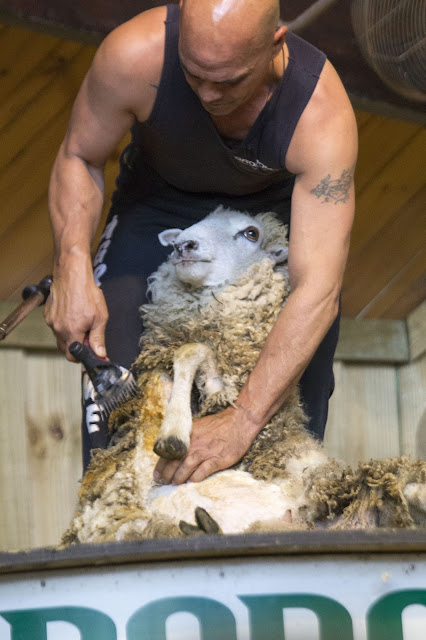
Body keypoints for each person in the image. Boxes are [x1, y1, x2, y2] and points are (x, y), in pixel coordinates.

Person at [45, 0, 358, 482]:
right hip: (157, 207)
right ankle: (119, 534)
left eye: (229, 81)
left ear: (274, 43)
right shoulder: (135, 54)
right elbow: (79, 157)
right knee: (113, 378)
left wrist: (245, 419)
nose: (209, 95)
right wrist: (71, 266)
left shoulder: (318, 113)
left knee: (300, 397)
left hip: (259, 224)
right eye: (194, 76)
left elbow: (317, 289)